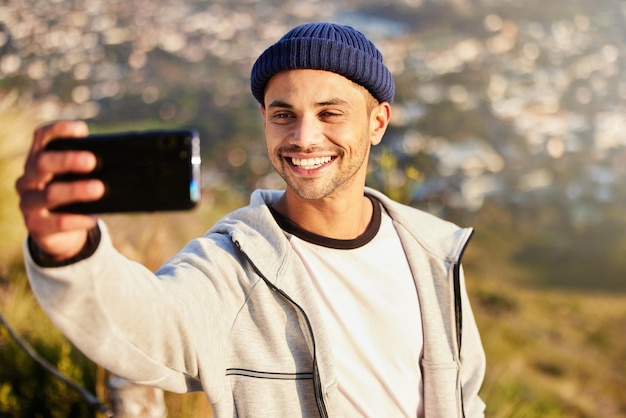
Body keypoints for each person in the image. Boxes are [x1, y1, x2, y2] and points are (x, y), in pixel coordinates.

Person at [16, 22, 486, 417]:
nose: (304, 137)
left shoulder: (433, 252)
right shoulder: (230, 264)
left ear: (377, 123)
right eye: (284, 114)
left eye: (330, 113)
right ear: (264, 118)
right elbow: (145, 326)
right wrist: (70, 251)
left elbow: (466, 396)